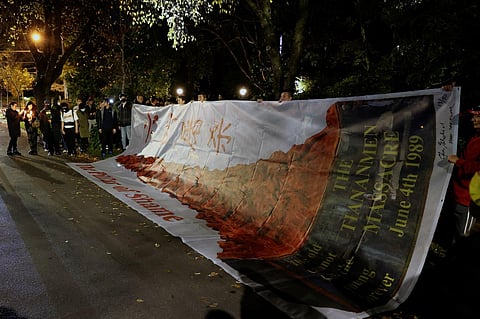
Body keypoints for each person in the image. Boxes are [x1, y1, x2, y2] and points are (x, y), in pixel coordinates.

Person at [447, 105, 480, 242]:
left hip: (469, 199)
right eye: (473, 116)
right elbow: (456, 117)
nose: (474, 119)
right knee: (457, 232)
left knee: (464, 238)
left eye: (478, 116)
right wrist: (449, 94)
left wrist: (459, 162)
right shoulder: (475, 136)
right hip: (459, 193)